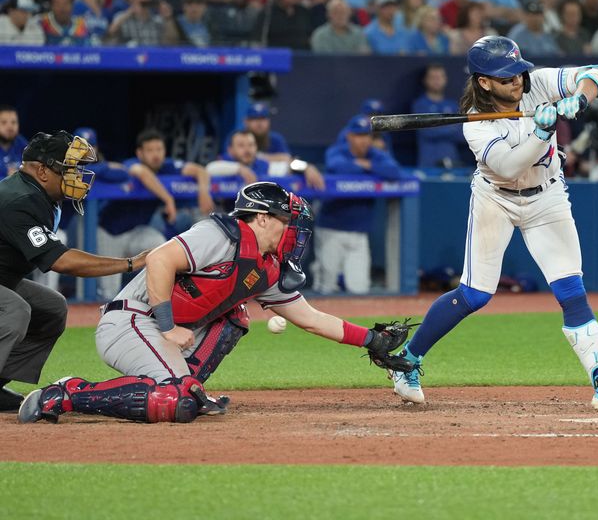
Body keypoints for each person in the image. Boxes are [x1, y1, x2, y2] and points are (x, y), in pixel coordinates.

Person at [381, 36, 598, 411]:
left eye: (517, 72)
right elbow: (508, 167)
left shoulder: (537, 82)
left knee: (571, 289)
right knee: (475, 294)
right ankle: (408, 358)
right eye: (504, 76)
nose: (516, 81)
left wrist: (580, 98)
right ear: (484, 82)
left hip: (548, 197)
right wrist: (543, 133)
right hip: (496, 199)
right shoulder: (475, 123)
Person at [17, 181, 410, 424]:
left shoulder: (268, 267)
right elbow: (160, 259)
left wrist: (371, 341)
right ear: (260, 218)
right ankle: (67, 393)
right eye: (286, 221)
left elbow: (310, 318)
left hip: (159, 330)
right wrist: (168, 324)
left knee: (233, 318)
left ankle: (183, 386)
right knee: (176, 398)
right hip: (132, 322)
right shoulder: (221, 234)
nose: (293, 231)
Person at [0, 131, 147, 412]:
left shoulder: (35, 194)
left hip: (4, 278)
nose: (76, 176)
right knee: (15, 310)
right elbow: (63, 261)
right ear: (42, 171)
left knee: (52, 307)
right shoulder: (19, 200)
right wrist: (130, 263)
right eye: (68, 169)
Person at [96, 128, 214, 300]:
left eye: (159, 149)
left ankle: (155, 297)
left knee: (158, 245)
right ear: (140, 153)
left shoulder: (166, 166)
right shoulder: (131, 163)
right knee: (109, 293)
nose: (156, 155)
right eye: (150, 150)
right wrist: (168, 199)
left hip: (137, 232)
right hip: (110, 233)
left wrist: (204, 191)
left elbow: (200, 170)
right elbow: (141, 173)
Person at [313, 115, 401, 295]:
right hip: (331, 229)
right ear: (349, 136)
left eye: (366, 136)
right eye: (359, 135)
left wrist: (365, 164)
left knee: (360, 289)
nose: (363, 140)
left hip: (359, 234)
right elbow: (338, 167)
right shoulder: (337, 151)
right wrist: (370, 169)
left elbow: (394, 171)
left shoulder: (374, 154)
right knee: (326, 287)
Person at [242, 102, 326, 188]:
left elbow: (288, 161)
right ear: (246, 121)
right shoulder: (237, 138)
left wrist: (306, 167)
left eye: (263, 118)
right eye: (254, 119)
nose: (259, 123)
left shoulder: (275, 140)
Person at [411, 63, 465, 167]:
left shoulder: (452, 105)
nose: (437, 80)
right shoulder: (420, 105)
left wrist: (438, 126)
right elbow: (427, 131)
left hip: (452, 162)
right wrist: (452, 128)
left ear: (446, 79)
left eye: (440, 77)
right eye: (433, 77)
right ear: (425, 80)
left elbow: (462, 134)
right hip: (428, 163)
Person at [0, 104, 27, 176]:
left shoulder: (22, 143)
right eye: (4, 122)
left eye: (13, 122)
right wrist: (9, 179)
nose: (10, 127)